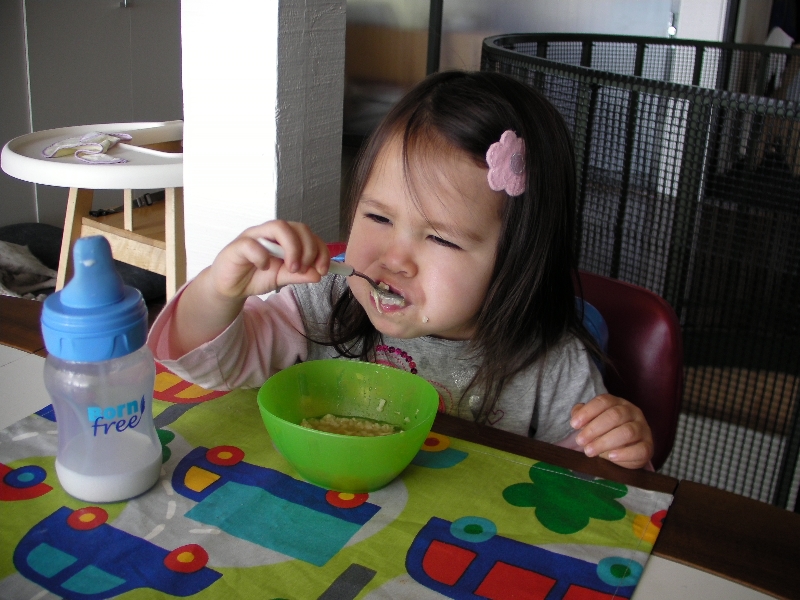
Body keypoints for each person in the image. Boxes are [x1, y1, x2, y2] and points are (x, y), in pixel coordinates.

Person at [147, 71, 654, 469]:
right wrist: (220, 290)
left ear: (521, 261)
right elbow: (205, 364)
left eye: (440, 238)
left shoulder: (553, 368)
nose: (393, 258)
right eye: (378, 217)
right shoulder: (320, 307)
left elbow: (592, 490)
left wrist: (617, 447)